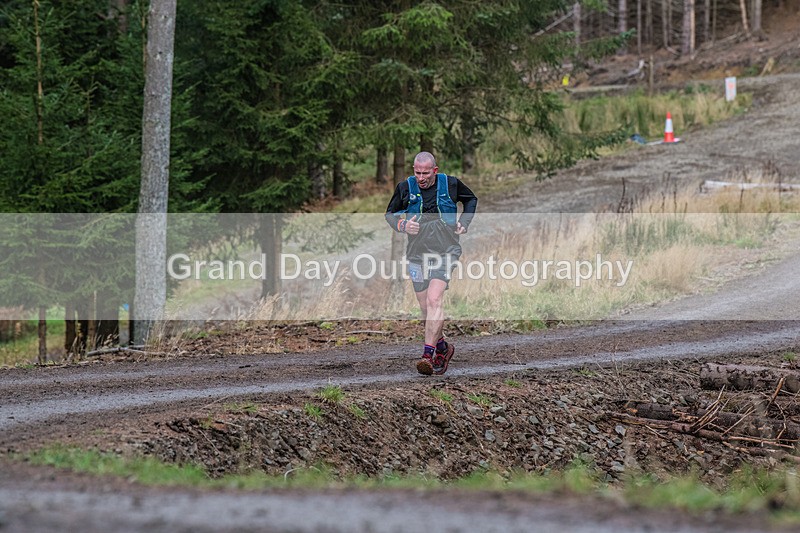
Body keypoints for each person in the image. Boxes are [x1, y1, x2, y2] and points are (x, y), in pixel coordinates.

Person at [385, 151, 478, 375]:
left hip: (446, 250)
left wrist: (464, 222)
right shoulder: (405, 187)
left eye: (425, 173)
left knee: (434, 299)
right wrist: (403, 226)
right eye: (417, 172)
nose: (421, 177)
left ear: (434, 171)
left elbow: (470, 199)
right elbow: (390, 214)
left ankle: (428, 354)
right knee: (425, 308)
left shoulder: (451, 184)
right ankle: (443, 348)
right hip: (417, 253)